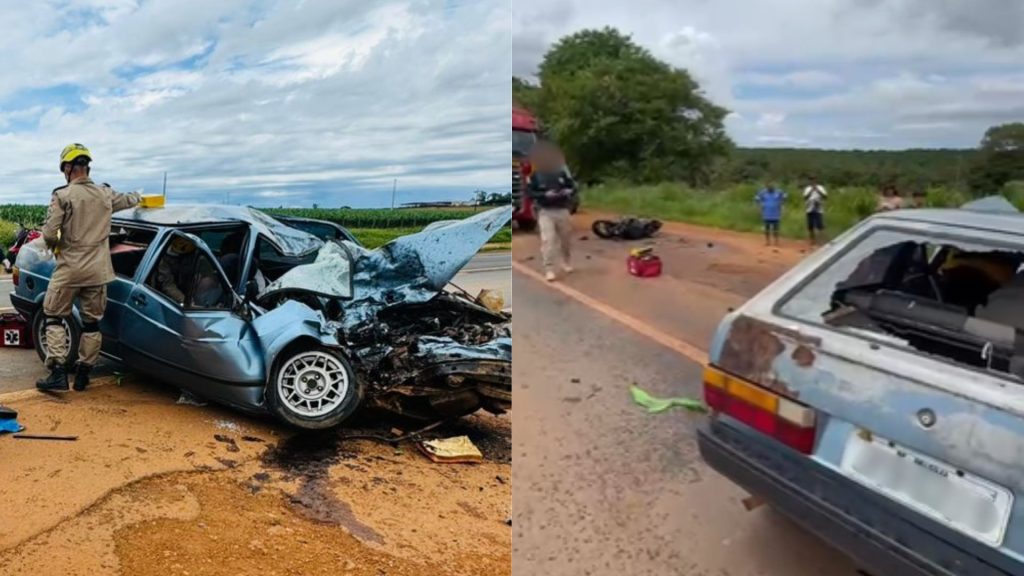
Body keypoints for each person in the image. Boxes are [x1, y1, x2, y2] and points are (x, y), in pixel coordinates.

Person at [37, 143, 141, 392]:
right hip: (98, 271)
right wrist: (141, 197)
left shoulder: (62, 195)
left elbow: (50, 233)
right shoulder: (105, 193)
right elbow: (130, 200)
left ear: (68, 168)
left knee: (54, 316)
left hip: (70, 269)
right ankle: (84, 373)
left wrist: (58, 247)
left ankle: (58, 373)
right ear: (87, 167)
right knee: (91, 322)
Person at [526, 141, 576, 282]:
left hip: (562, 209)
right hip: (546, 211)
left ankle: (566, 262)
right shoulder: (534, 176)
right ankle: (549, 269)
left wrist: (568, 191)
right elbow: (530, 193)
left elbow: (572, 187)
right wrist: (544, 195)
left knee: (566, 239)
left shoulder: (561, 174)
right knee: (548, 240)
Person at [802, 176, 828, 246]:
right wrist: (811, 190)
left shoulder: (821, 188)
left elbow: (825, 196)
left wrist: (817, 190)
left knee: (820, 225)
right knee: (810, 226)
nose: (813, 181)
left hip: (818, 209)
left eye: (814, 180)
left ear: (816, 180)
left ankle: (822, 241)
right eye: (811, 180)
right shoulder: (807, 188)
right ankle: (812, 241)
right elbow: (805, 197)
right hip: (809, 208)